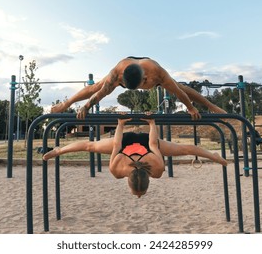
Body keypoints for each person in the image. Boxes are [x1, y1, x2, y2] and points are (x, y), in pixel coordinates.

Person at [43, 116, 227, 198]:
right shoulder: (117, 171)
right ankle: (58, 151)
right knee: (89, 146)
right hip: (140, 143)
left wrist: (151, 123)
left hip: (130, 143)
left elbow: (118, 144)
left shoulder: (156, 170)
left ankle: (59, 151)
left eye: (136, 193)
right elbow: (153, 145)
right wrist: (122, 125)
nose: (138, 197)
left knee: (187, 149)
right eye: (141, 193)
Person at [51, 56, 226, 119]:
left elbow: (179, 93)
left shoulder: (157, 72)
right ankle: (65, 105)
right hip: (125, 70)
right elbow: (101, 92)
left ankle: (212, 106)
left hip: (150, 70)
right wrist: (86, 106)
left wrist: (191, 108)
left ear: (145, 80)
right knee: (97, 85)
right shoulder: (115, 74)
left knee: (179, 87)